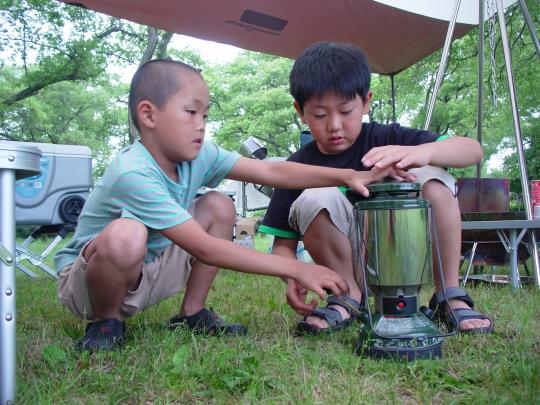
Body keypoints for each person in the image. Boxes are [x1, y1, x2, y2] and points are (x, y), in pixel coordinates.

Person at [54, 59, 405, 352]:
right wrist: (299, 269)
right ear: (149, 115)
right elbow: (206, 248)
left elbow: (270, 170)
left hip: (149, 268)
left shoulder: (200, 156)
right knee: (126, 234)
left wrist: (345, 176)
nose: (201, 126)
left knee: (219, 205)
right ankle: (105, 322)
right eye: (191, 112)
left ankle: (192, 313)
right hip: (89, 285)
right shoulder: (131, 172)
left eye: (205, 115)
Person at [260, 41, 493, 335]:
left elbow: (471, 150)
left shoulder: (387, 137)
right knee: (314, 198)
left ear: (366, 102)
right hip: (345, 265)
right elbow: (283, 246)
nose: (334, 125)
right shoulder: (297, 168)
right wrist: (293, 273)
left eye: (346, 111)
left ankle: (449, 294)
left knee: (433, 180)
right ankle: (347, 298)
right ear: (300, 111)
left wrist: (423, 153)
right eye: (319, 115)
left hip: (408, 252)